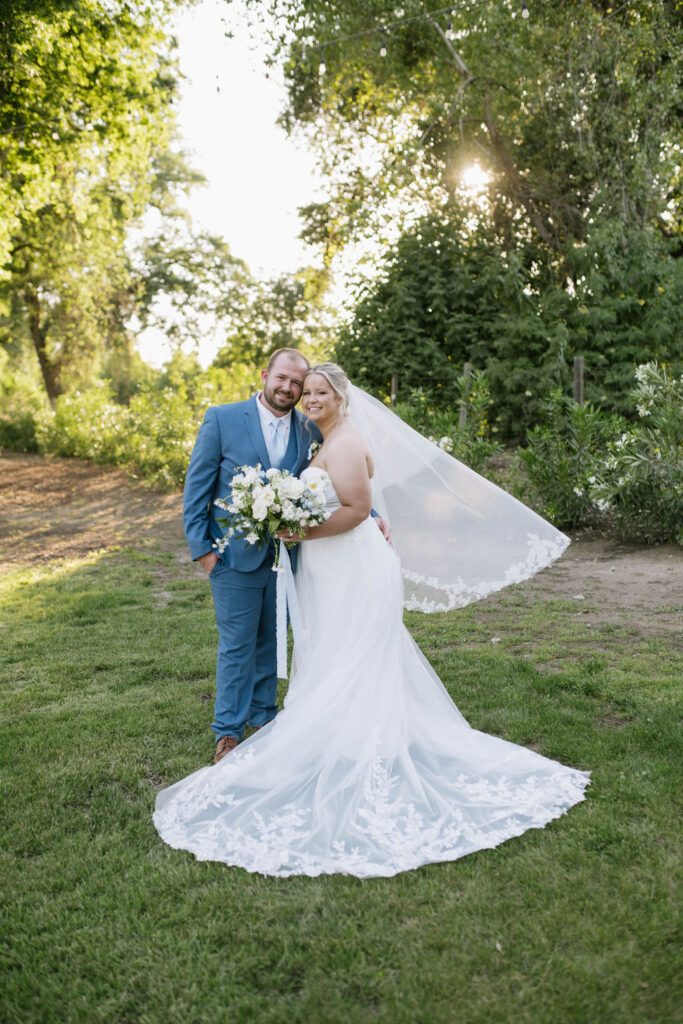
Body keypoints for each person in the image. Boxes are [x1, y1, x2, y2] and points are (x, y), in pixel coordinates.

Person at [156, 363, 590, 878]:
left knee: (348, 651)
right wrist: (207, 549)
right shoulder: (301, 435)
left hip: (347, 566)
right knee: (303, 647)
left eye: (317, 390)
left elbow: (358, 508)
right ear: (271, 378)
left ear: (340, 396)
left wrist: (304, 533)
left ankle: (342, 737)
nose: (306, 396)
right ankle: (244, 728)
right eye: (302, 388)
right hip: (307, 565)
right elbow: (231, 486)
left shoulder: (336, 439)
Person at [182, 348, 316, 764]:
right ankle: (227, 733)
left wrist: (375, 514)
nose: (288, 388)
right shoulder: (222, 419)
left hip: (285, 560)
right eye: (282, 378)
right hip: (232, 560)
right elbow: (196, 489)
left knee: (272, 643)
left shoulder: (309, 430)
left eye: (297, 383)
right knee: (237, 645)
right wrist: (204, 553)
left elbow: (338, 476)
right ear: (265, 375)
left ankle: (264, 720)